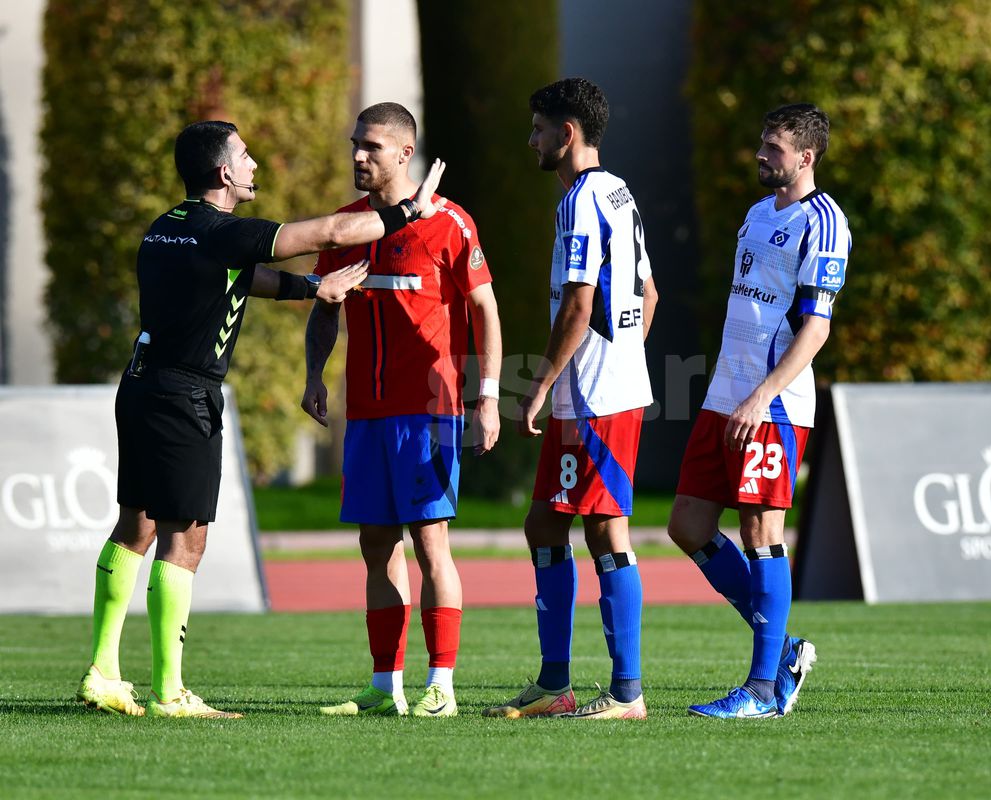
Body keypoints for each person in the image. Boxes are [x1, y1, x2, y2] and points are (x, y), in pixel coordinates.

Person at [76, 120, 447, 719]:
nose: (254, 166)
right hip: (185, 397)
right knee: (185, 538)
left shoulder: (166, 229)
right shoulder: (223, 231)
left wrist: (312, 289)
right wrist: (409, 211)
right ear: (223, 173)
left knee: (136, 525)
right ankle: (170, 694)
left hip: (142, 386)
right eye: (245, 158)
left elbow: (240, 280)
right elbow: (330, 230)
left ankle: (103, 672)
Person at [302, 103, 501, 718]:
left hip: (428, 412)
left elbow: (485, 313)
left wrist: (488, 396)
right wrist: (313, 374)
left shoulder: (450, 224)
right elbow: (325, 306)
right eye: (356, 145)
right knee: (375, 544)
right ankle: (384, 687)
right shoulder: (346, 226)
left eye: (373, 147)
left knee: (429, 542)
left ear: (405, 154)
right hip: (366, 412)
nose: (359, 156)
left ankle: (441, 685)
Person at [482, 78, 657, 720]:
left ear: (568, 134)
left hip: (593, 397)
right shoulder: (619, 192)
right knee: (546, 523)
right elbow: (650, 293)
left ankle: (627, 695)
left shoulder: (584, 202)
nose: (531, 138)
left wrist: (543, 384)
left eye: (537, 128)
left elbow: (582, 305)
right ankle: (556, 685)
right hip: (599, 390)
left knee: (607, 530)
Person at [666, 104, 847, 719]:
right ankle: (785, 649)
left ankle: (765, 690)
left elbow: (815, 329)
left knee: (761, 534)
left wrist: (763, 394)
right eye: (762, 145)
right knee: (688, 525)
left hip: (772, 403)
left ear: (806, 156)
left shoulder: (824, 223)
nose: (762, 155)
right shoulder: (754, 214)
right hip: (725, 395)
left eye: (774, 147)